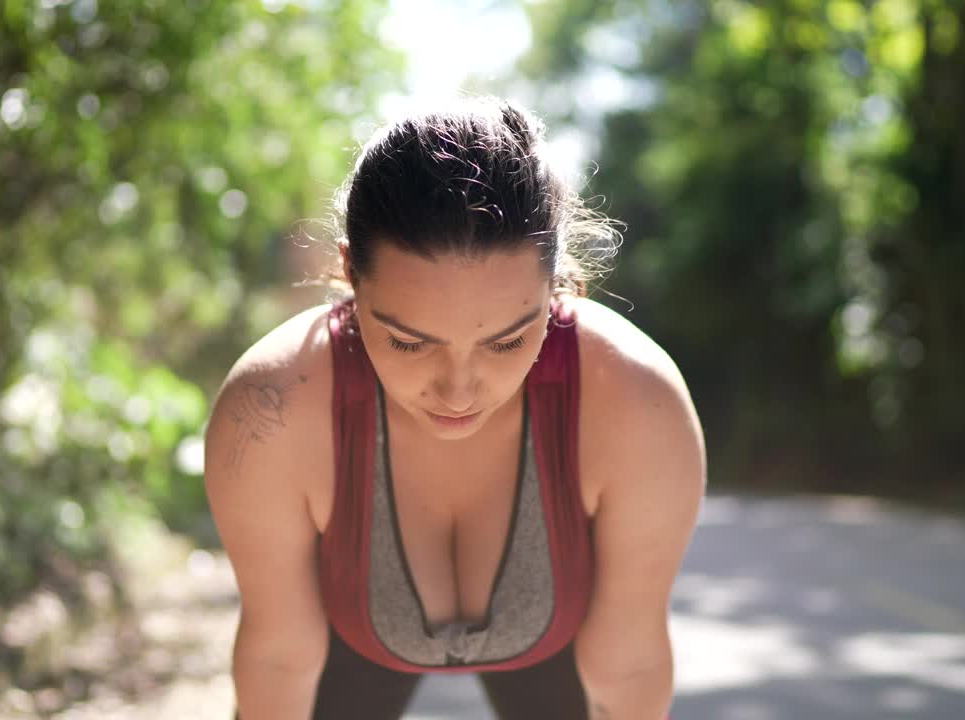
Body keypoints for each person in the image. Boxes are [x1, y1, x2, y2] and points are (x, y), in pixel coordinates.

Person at [205, 95, 705, 720]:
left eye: (507, 340)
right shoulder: (271, 409)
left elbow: (629, 667)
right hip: (344, 647)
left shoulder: (638, 401)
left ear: (557, 287)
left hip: (562, 648)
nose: (459, 391)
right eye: (409, 341)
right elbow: (278, 660)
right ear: (350, 275)